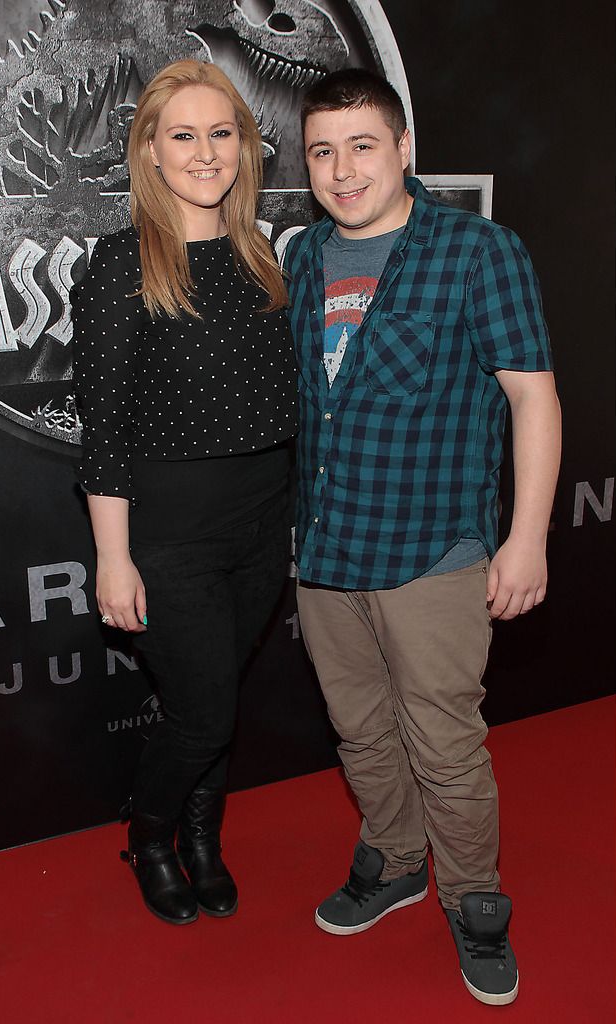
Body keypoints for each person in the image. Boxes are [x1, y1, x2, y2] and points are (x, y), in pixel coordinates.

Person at [283, 68, 561, 1006]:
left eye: (362, 145)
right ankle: (398, 863)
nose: (342, 168)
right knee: (360, 729)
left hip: (432, 548)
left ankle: (478, 906)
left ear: (404, 148)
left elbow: (533, 397)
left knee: (444, 743)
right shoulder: (301, 255)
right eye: (322, 151)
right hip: (325, 551)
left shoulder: (479, 251)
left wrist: (527, 539)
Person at [72, 59, 297, 925]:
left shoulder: (259, 251)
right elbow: (106, 428)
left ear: (244, 144)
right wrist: (114, 560)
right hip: (170, 539)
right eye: (183, 136)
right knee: (202, 714)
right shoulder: (123, 262)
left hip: (258, 526)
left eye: (221, 132)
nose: (205, 152)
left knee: (219, 702)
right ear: (151, 154)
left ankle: (204, 838)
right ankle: (152, 837)